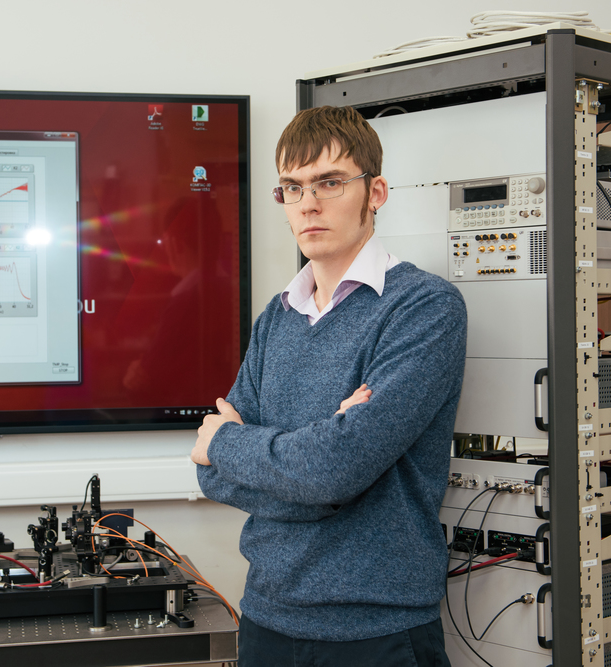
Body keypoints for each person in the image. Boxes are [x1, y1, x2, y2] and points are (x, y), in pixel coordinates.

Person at [190, 105, 467, 666]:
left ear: (375, 192)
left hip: (378, 633)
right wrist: (320, 467)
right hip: (266, 620)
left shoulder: (424, 308)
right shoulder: (277, 316)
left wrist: (229, 443)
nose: (308, 203)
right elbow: (211, 474)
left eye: (330, 182)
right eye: (292, 188)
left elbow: (332, 470)